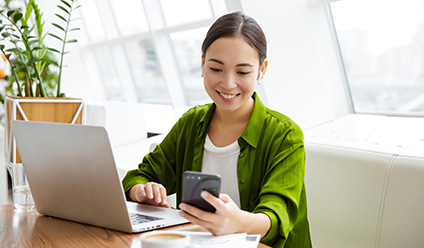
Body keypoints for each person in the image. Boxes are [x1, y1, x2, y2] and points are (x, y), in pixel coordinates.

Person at [122, 11, 312, 247]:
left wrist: (237, 221)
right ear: (202, 63)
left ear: (261, 70)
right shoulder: (191, 123)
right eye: (216, 69)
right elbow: (139, 177)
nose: (228, 83)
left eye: (242, 72)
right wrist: (142, 191)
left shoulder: (285, 135)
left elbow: (276, 215)